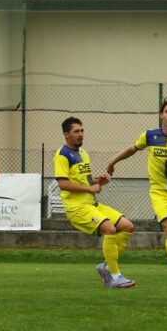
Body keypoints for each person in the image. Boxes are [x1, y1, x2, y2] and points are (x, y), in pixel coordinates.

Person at [107, 100, 167, 287]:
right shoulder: (149, 136)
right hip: (159, 191)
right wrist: (112, 162)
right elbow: (132, 149)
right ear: (161, 115)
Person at [54, 117, 135, 288]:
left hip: (92, 204)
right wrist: (89, 189)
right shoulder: (62, 155)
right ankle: (116, 276)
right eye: (76, 131)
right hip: (77, 208)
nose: (81, 134)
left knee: (128, 226)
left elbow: (87, 182)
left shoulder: (83, 154)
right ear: (66, 134)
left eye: (82, 131)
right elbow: (62, 184)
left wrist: (99, 182)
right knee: (110, 229)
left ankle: (105, 266)